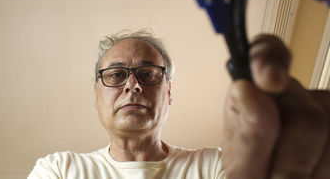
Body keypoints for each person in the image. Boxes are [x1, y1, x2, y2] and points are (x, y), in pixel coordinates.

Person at [28, 30, 330, 179]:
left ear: (168, 92)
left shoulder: (216, 166)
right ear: (96, 96)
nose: (132, 85)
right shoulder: (59, 169)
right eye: (117, 75)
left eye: (147, 74)